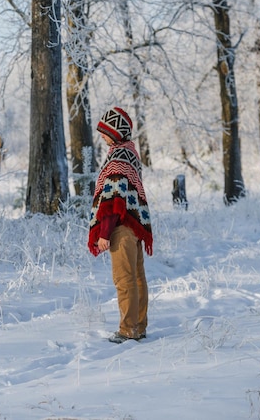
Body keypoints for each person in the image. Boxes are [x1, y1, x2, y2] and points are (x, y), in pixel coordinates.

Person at [88, 106, 153, 343]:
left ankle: (128, 330)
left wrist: (104, 233)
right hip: (134, 225)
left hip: (122, 227)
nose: (102, 136)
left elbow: (114, 200)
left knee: (124, 279)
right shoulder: (130, 153)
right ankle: (139, 326)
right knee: (136, 277)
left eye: (105, 132)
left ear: (116, 133)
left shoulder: (118, 158)